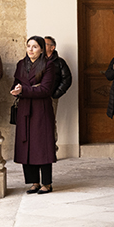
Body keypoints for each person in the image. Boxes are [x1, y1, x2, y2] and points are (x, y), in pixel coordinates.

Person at [12, 36, 57, 193]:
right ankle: (34, 182)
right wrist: (16, 90)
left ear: (42, 49)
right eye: (28, 46)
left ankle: (46, 183)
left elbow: (45, 90)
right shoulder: (21, 64)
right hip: (24, 108)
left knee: (41, 145)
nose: (31, 49)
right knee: (27, 145)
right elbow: (16, 83)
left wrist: (24, 90)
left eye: (35, 47)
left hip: (41, 109)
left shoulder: (49, 65)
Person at [43, 36, 73, 151]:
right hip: (38, 96)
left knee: (50, 121)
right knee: (39, 122)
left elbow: (67, 79)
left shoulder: (59, 62)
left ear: (52, 47)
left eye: (45, 44)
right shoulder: (37, 60)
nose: (42, 45)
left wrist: (56, 94)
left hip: (51, 97)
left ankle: (51, 148)